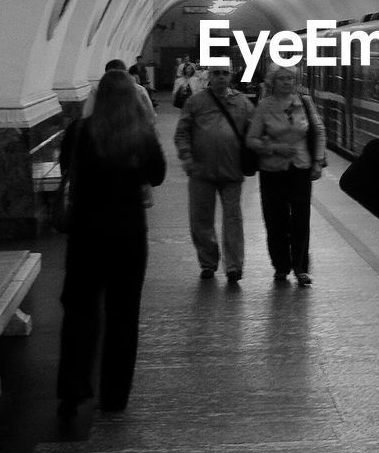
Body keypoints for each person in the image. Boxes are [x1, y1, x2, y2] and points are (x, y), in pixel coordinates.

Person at [56, 68, 166, 416]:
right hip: (128, 234)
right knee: (123, 314)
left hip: (86, 233)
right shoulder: (142, 134)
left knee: (79, 311)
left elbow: (65, 167)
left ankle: (73, 389)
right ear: (132, 98)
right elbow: (158, 175)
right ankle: (115, 396)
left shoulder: (79, 131)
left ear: (98, 96)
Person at [246, 64, 326, 286]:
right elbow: (250, 139)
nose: (286, 82)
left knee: (301, 219)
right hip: (272, 170)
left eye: (290, 79)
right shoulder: (264, 106)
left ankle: (301, 267)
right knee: (275, 219)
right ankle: (281, 266)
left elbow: (318, 131)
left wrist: (318, 162)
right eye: (281, 78)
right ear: (272, 81)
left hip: (300, 167)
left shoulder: (305, 102)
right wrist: (274, 148)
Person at [174, 59, 253, 281]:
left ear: (231, 76)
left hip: (231, 171)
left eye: (224, 73)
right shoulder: (196, 102)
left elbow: (255, 129)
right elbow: (182, 132)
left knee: (233, 220)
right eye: (216, 73)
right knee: (201, 219)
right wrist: (187, 157)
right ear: (209, 76)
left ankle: (234, 266)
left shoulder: (242, 102)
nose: (220, 77)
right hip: (201, 171)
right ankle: (208, 261)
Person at [83, 58, 156, 122]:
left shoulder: (97, 90)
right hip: (132, 130)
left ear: (106, 73)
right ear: (126, 72)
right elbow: (150, 116)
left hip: (104, 130)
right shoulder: (139, 90)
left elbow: (87, 113)